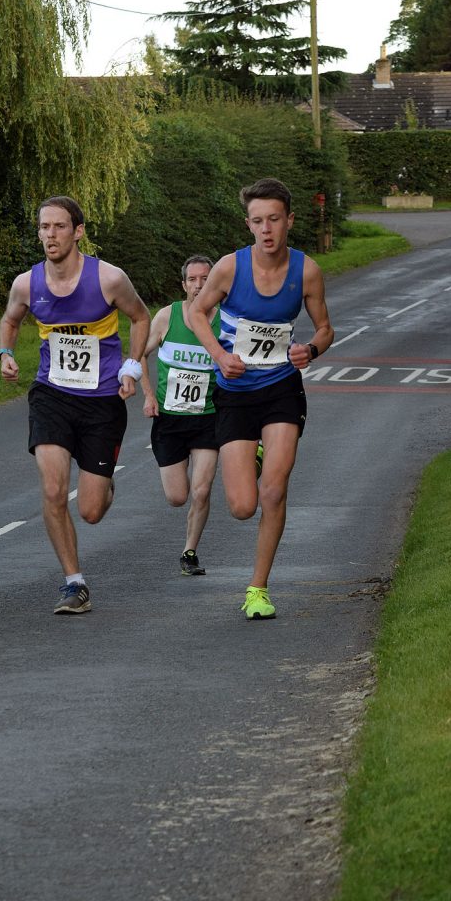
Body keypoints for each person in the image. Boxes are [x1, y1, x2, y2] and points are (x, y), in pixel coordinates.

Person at [189, 177, 334, 620]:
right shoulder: (230, 268)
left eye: (274, 219)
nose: (266, 229)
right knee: (241, 506)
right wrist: (218, 354)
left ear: (289, 220)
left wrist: (309, 349)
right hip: (235, 393)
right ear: (248, 224)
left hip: (281, 390)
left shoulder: (306, 271)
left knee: (273, 492)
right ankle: (252, 455)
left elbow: (326, 328)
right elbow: (196, 311)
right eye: (257, 221)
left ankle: (258, 588)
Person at [0, 195, 150, 614]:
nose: (50, 235)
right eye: (44, 227)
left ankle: (104, 485)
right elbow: (10, 320)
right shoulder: (27, 283)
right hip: (52, 394)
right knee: (51, 489)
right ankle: (74, 582)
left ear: (78, 231)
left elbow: (141, 317)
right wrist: (5, 353)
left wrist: (132, 367)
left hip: (102, 400)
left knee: (91, 511)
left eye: (59, 226)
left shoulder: (109, 279)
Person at [140, 255, 223, 576]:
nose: (200, 285)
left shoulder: (225, 320)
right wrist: (148, 395)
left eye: (206, 278)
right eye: (193, 280)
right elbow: (138, 355)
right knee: (178, 497)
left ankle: (190, 551)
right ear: (184, 284)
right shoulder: (167, 316)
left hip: (209, 418)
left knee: (202, 489)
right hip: (170, 420)